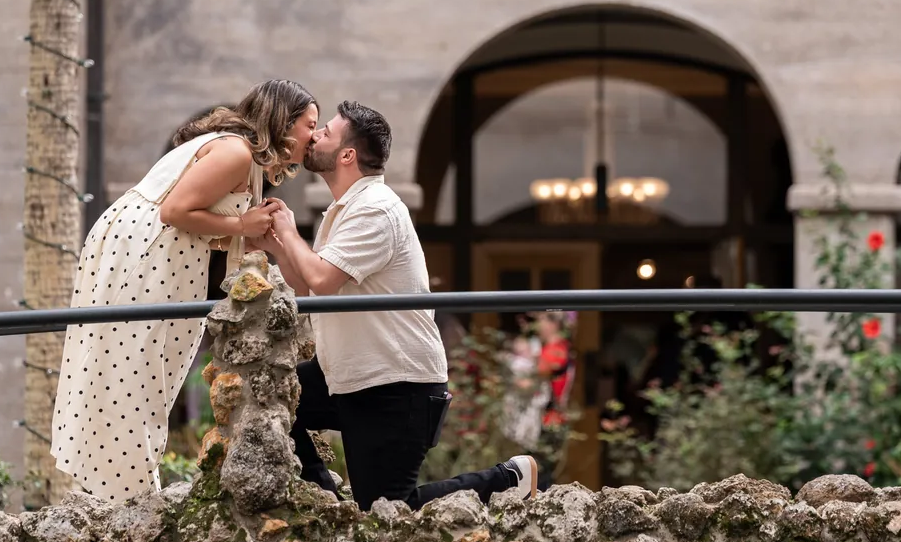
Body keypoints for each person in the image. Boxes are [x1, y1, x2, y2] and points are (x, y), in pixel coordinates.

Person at [259, 100, 538, 513]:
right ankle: (327, 509)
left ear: (347, 155)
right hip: (350, 378)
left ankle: (509, 478)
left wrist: (287, 230)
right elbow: (312, 287)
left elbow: (319, 278)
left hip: (396, 386)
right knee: (273, 396)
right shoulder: (344, 210)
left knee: (389, 513)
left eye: (326, 132)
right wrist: (275, 247)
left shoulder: (376, 208)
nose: (314, 136)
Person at [52, 79, 319, 502]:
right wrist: (240, 226)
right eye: (310, 125)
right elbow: (174, 211)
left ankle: (128, 493)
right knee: (132, 380)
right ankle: (126, 499)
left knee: (142, 382)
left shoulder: (244, 161)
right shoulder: (236, 151)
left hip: (160, 261)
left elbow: (200, 225)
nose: (315, 137)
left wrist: (252, 234)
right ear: (283, 123)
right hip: (147, 258)